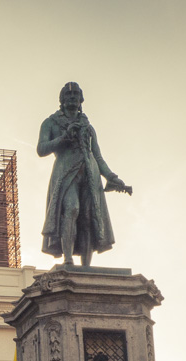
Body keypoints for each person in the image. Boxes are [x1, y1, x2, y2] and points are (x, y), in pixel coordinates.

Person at [38, 82, 131, 267]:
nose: (72, 97)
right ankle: (68, 259)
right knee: (71, 209)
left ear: (81, 100)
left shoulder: (88, 127)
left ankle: (86, 267)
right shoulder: (50, 122)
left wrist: (111, 177)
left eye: (76, 95)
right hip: (65, 173)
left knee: (89, 217)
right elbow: (41, 149)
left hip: (90, 173)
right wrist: (63, 138)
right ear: (62, 100)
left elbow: (97, 155)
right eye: (68, 95)